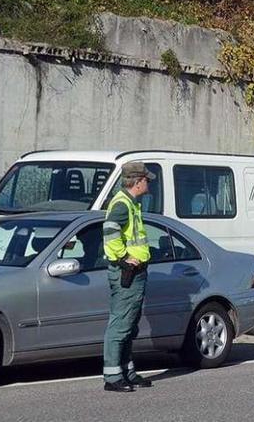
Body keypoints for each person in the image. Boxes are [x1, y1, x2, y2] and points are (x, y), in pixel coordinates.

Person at [101, 162, 156, 393]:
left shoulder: (131, 203)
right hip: (127, 272)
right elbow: (110, 229)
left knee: (129, 325)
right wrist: (123, 257)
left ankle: (127, 372)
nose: (149, 183)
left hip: (135, 272)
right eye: (147, 179)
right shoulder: (123, 204)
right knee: (121, 324)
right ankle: (113, 376)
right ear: (137, 181)